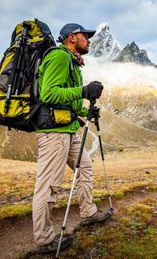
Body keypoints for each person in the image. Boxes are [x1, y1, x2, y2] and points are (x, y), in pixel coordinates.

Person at [32, 23, 112, 254]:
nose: (89, 39)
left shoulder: (73, 62)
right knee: (48, 186)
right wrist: (83, 91)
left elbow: (64, 100)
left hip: (67, 128)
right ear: (71, 38)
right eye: (84, 36)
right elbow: (48, 94)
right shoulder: (59, 56)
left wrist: (83, 113)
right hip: (54, 133)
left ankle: (88, 212)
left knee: (85, 167)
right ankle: (44, 239)